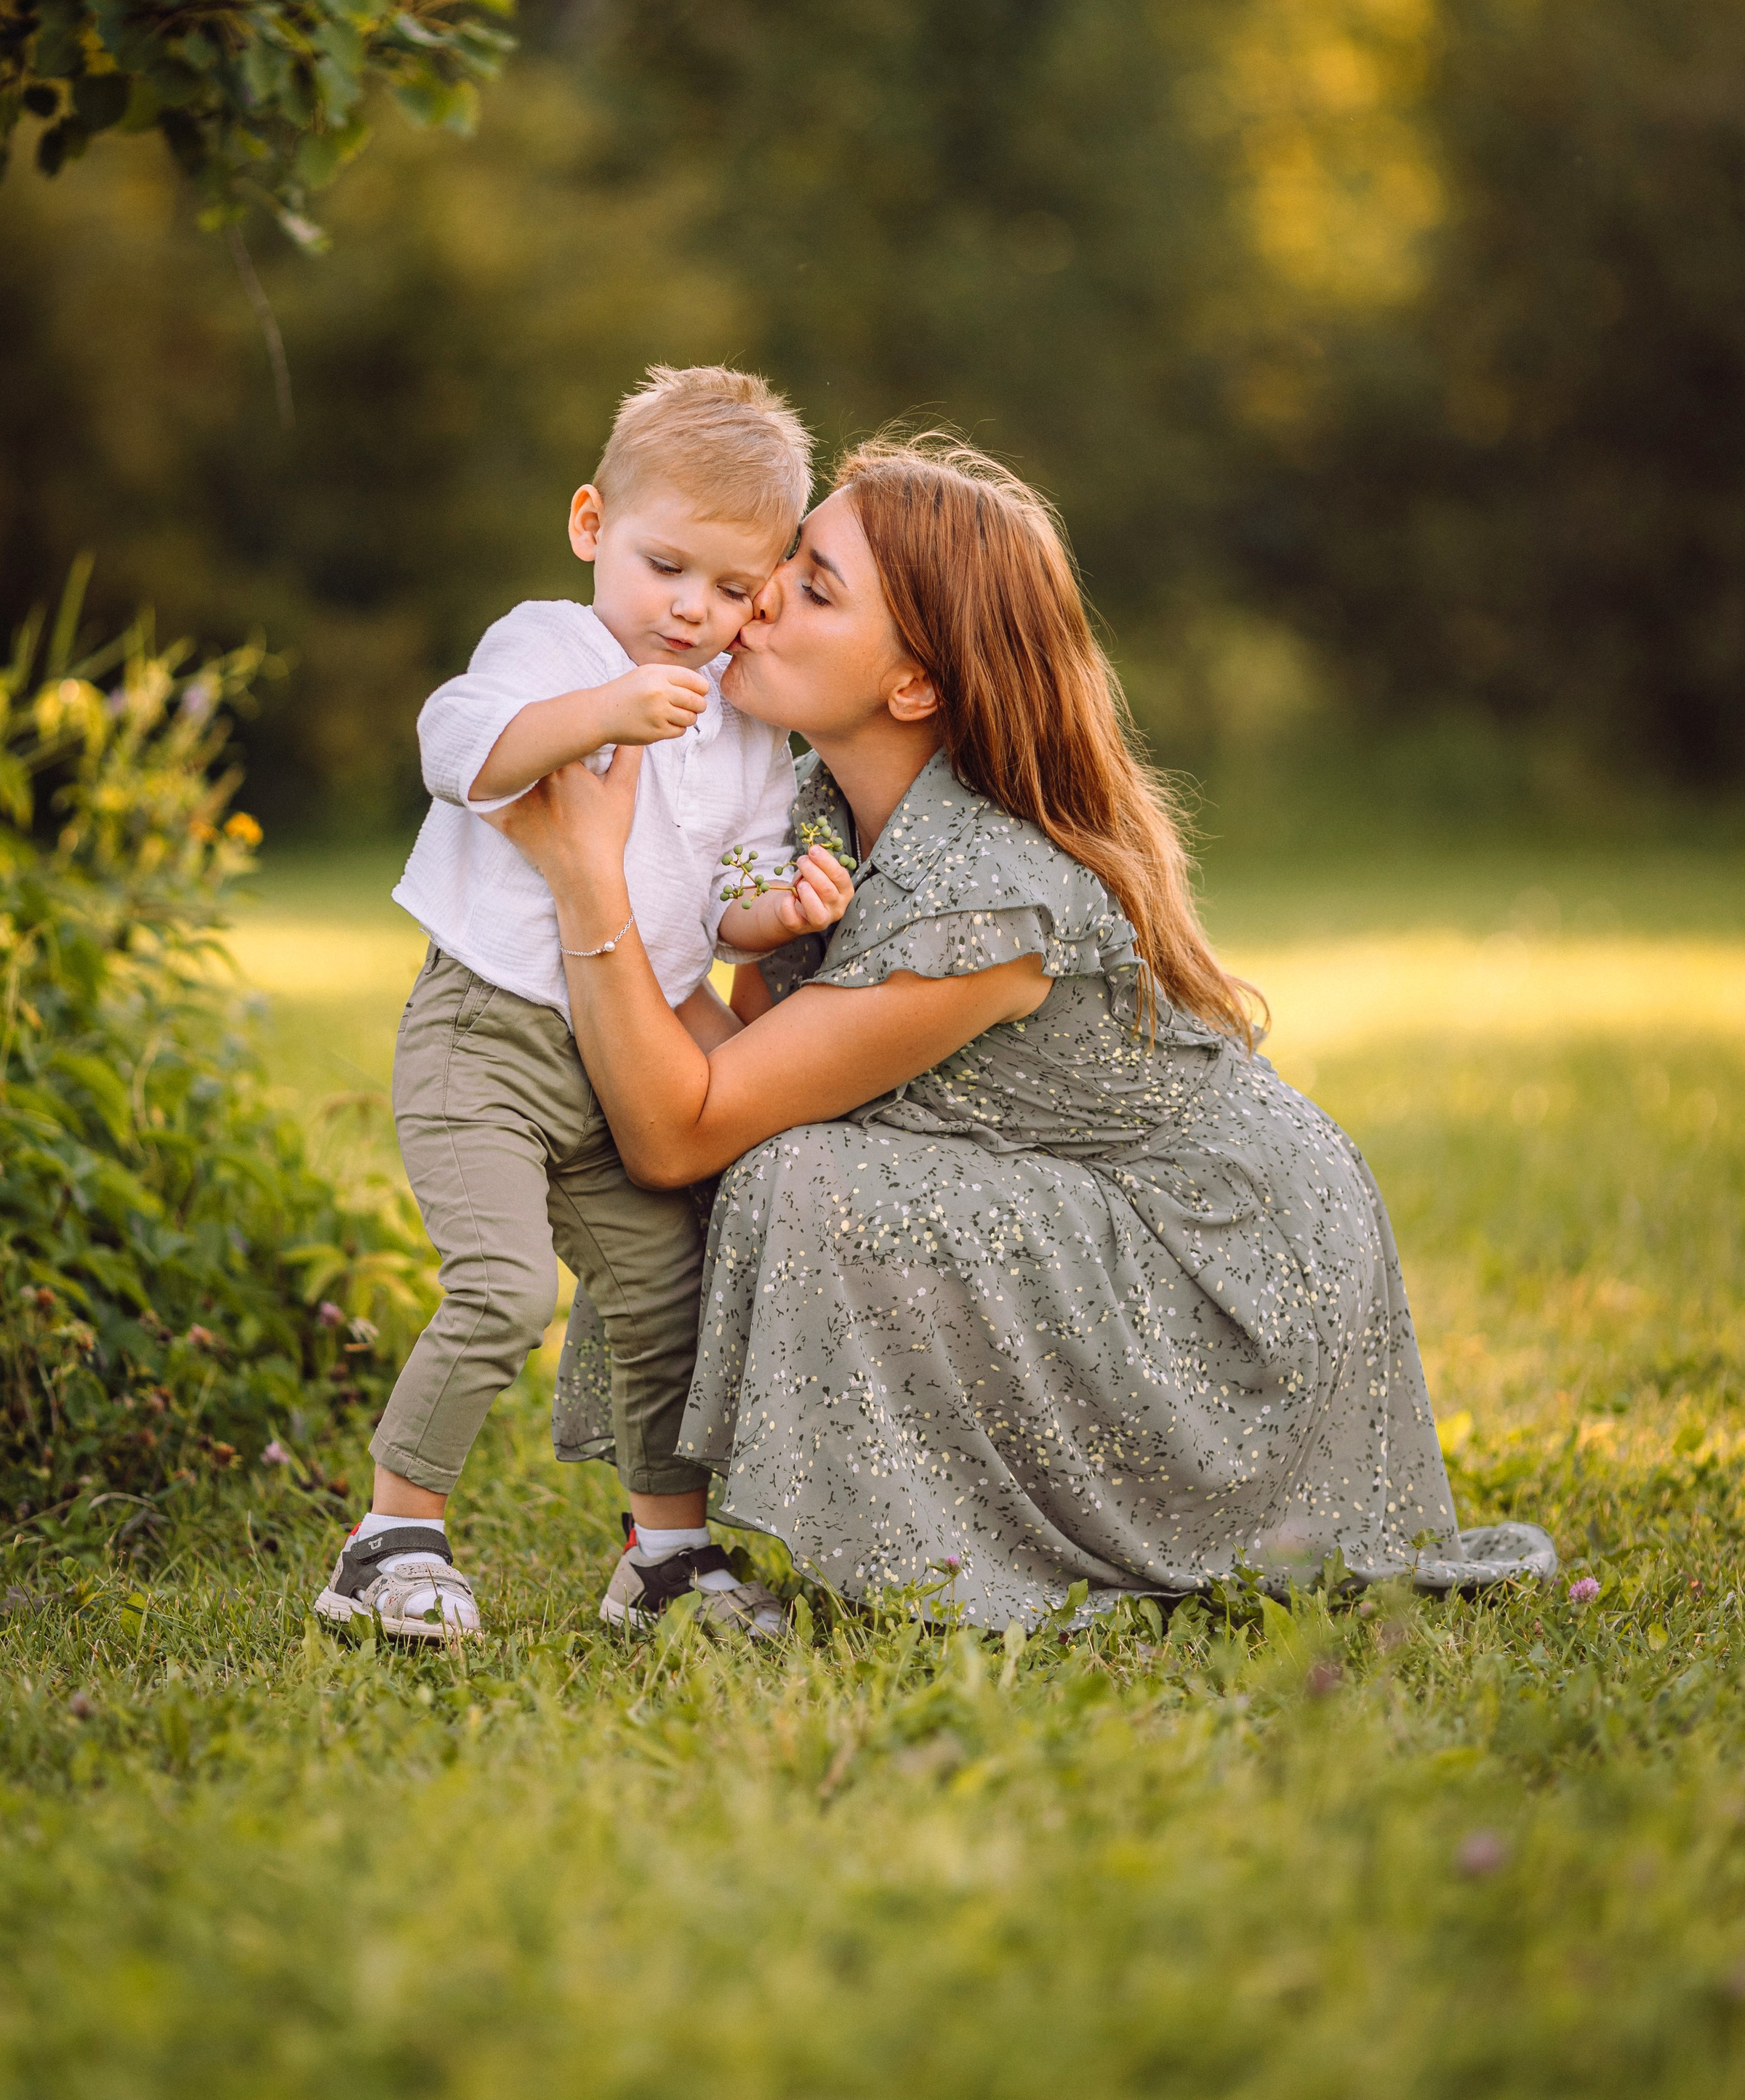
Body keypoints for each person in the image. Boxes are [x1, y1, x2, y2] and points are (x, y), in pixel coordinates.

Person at [504, 435, 1556, 1628]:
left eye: (816, 588)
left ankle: (940, 1552)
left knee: (803, 1180)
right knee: (762, 1152)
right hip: (1079, 1198)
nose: (758, 599)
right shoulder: (814, 810)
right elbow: (724, 1075)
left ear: (914, 687)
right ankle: (669, 1542)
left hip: (1219, 1274)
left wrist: (586, 881)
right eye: (786, 563)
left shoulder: (985, 901)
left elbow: (677, 1133)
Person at [313, 366, 856, 1648]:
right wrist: (599, 713)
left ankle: (664, 1559)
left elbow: (722, 896)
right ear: (591, 525)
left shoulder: (745, 726)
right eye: (666, 567)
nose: (693, 609)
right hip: (488, 1033)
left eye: (734, 589)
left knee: (664, 1297)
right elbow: (456, 749)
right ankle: (389, 1539)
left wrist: (778, 910)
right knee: (502, 1290)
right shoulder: (551, 647)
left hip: (626, 1055)